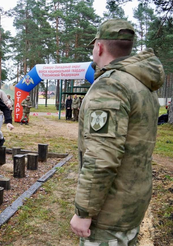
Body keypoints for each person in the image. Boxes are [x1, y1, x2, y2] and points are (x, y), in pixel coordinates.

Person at [70, 19, 165, 245]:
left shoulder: (110, 85)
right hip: (133, 200)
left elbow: (102, 157)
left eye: (94, 45)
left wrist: (84, 212)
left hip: (110, 213)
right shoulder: (142, 84)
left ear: (100, 47)